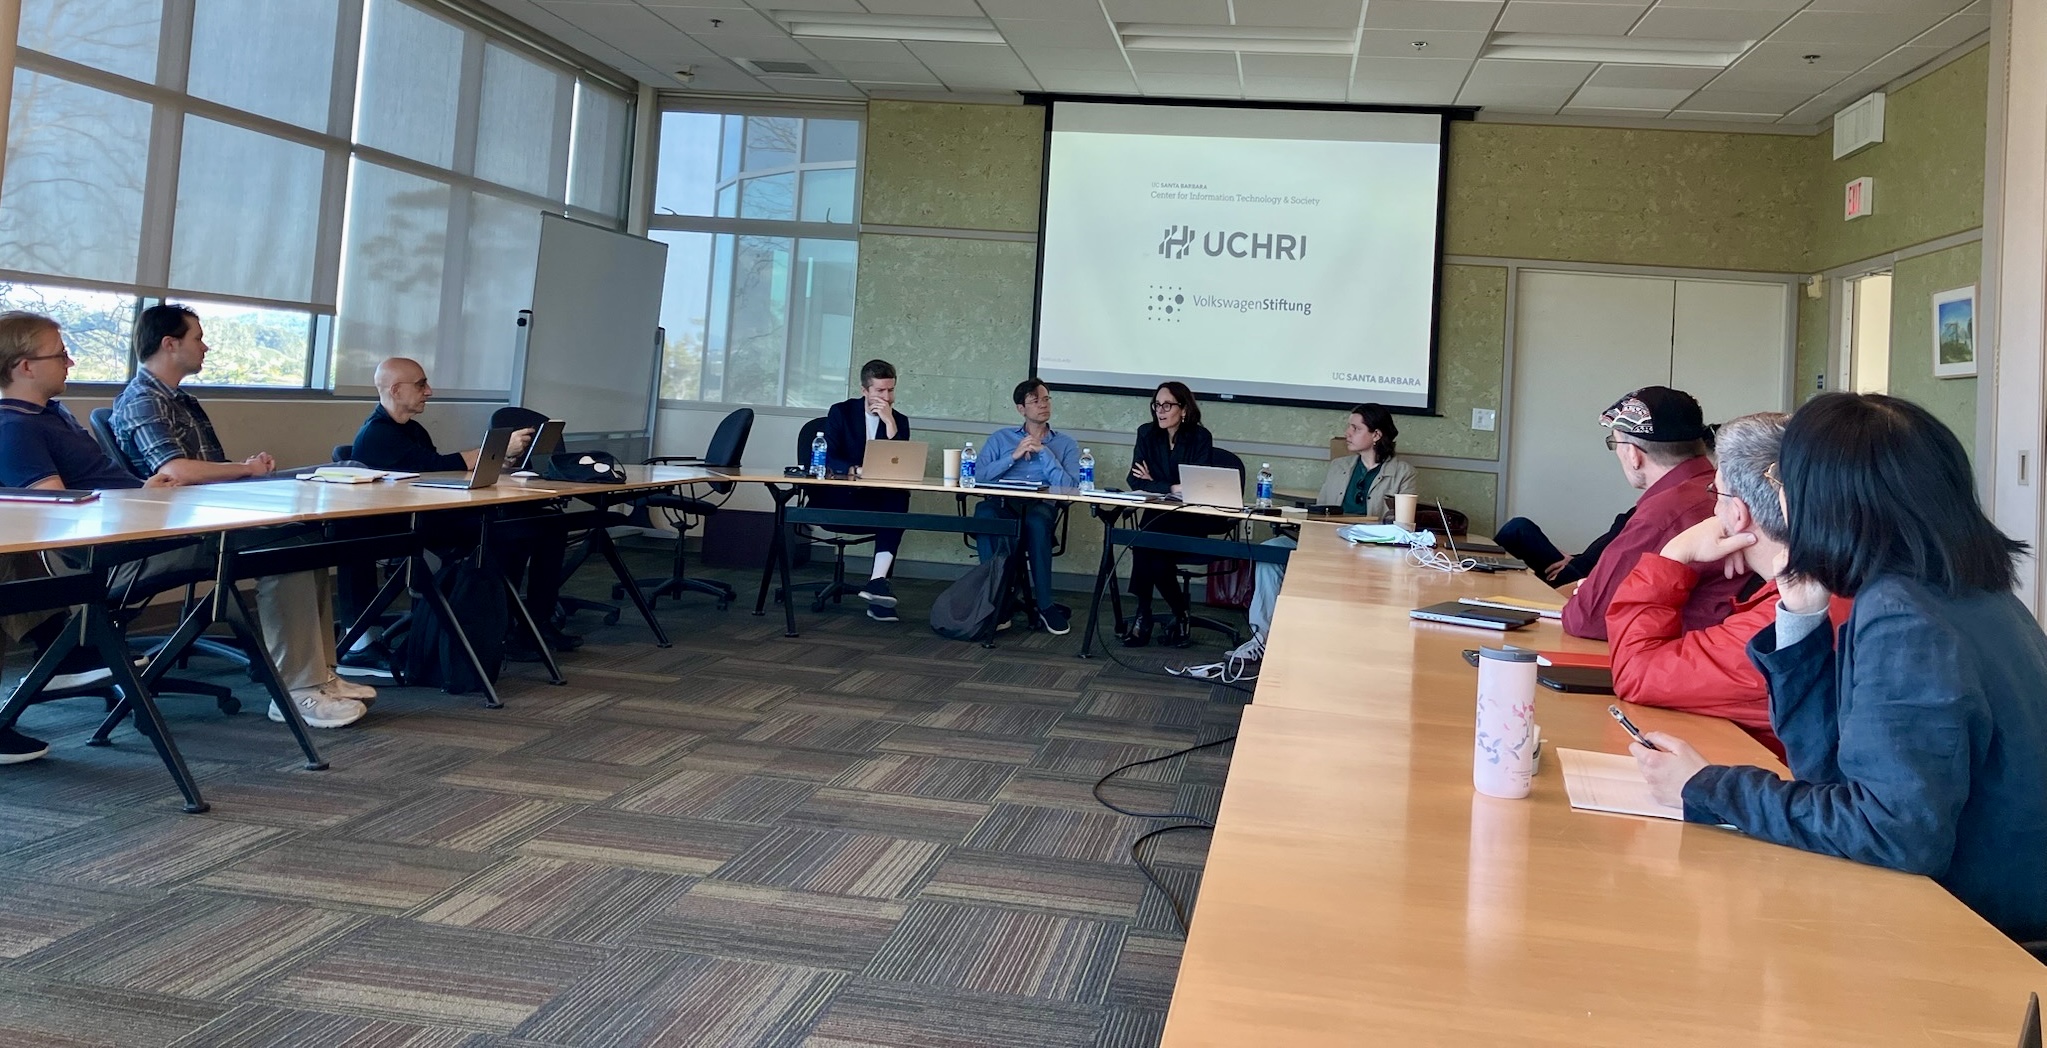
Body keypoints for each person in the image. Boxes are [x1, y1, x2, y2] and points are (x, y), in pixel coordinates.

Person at [1634, 393, 2047, 945]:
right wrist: (1801, 616)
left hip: (1980, 934)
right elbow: (1830, 775)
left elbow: (1889, 833)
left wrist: (1706, 786)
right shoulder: (1968, 592)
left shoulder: (1904, 618)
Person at [0, 311, 368, 729]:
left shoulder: (53, 415)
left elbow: (95, 489)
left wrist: (145, 490)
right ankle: (296, 688)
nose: (70, 362)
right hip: (110, 555)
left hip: (139, 529)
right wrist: (140, 495)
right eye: (61, 355)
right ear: (25, 366)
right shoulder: (14, 427)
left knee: (299, 537)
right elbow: (57, 514)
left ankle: (318, 676)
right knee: (279, 545)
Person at [109, 303, 380, 715]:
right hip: (183, 528)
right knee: (287, 542)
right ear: (169, 343)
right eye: (198, 338)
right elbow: (175, 470)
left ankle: (320, 673)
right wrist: (245, 469)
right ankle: (294, 688)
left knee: (317, 514)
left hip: (217, 508)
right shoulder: (142, 400)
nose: (206, 347)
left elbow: (206, 472)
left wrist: (244, 474)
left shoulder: (181, 399)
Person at [1604, 412, 1849, 759]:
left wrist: (1673, 555)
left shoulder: (1789, 621)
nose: (1711, 509)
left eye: (1716, 492)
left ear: (1738, 513)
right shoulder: (1846, 583)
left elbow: (1637, 673)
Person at [354, 358, 575, 655]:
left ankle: (533, 622)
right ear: (395, 390)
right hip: (409, 526)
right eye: (421, 384)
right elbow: (437, 468)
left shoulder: (413, 430)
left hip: (435, 515)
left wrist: (500, 461)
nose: (429, 391)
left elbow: (442, 472)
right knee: (513, 531)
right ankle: (506, 625)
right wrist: (494, 450)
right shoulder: (378, 434)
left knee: (547, 525)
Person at [1227, 404, 1418, 663]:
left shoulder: (1403, 473)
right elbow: (1320, 513)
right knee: (1271, 550)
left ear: (1376, 435)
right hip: (1326, 542)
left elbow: (1402, 526)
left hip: (1371, 553)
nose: (1347, 432)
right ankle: (1261, 639)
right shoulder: (1339, 466)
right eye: (1349, 426)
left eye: (1355, 428)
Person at [1552, 386, 1745, 640]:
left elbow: (1586, 619)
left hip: (1668, 661)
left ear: (1633, 454)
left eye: (1615, 443)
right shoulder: (1722, 494)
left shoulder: (1663, 515)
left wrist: (1590, 591)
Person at [1121, 381, 1225, 648]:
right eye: (1157, 404)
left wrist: (1155, 480)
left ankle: (1154, 616)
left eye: (1167, 405)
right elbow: (1135, 481)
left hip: (1190, 518)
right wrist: (1170, 485)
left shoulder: (1200, 437)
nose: (1160, 410)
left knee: (1149, 548)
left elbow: (1197, 485)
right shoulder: (1146, 433)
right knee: (1147, 546)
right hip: (1158, 514)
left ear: (1184, 409)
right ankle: (1163, 613)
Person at [973, 377, 1081, 635]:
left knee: (1035, 521)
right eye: (1035, 401)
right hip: (1003, 503)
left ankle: (1045, 605)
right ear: (1021, 409)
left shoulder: (1065, 444)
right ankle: (998, 601)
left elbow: (1072, 487)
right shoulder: (1001, 438)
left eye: (1046, 399)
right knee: (984, 513)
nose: (1043, 405)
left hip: (1039, 505)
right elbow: (977, 476)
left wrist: (1045, 453)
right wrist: (1013, 456)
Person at [813, 359, 912, 623]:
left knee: (898, 498)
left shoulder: (899, 420)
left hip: (875, 498)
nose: (887, 397)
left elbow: (900, 465)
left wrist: (890, 425)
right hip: (839, 495)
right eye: (880, 391)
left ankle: (877, 583)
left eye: (890, 390)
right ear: (864, 390)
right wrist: (855, 470)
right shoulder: (841, 412)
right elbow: (828, 456)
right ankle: (879, 588)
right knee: (893, 508)